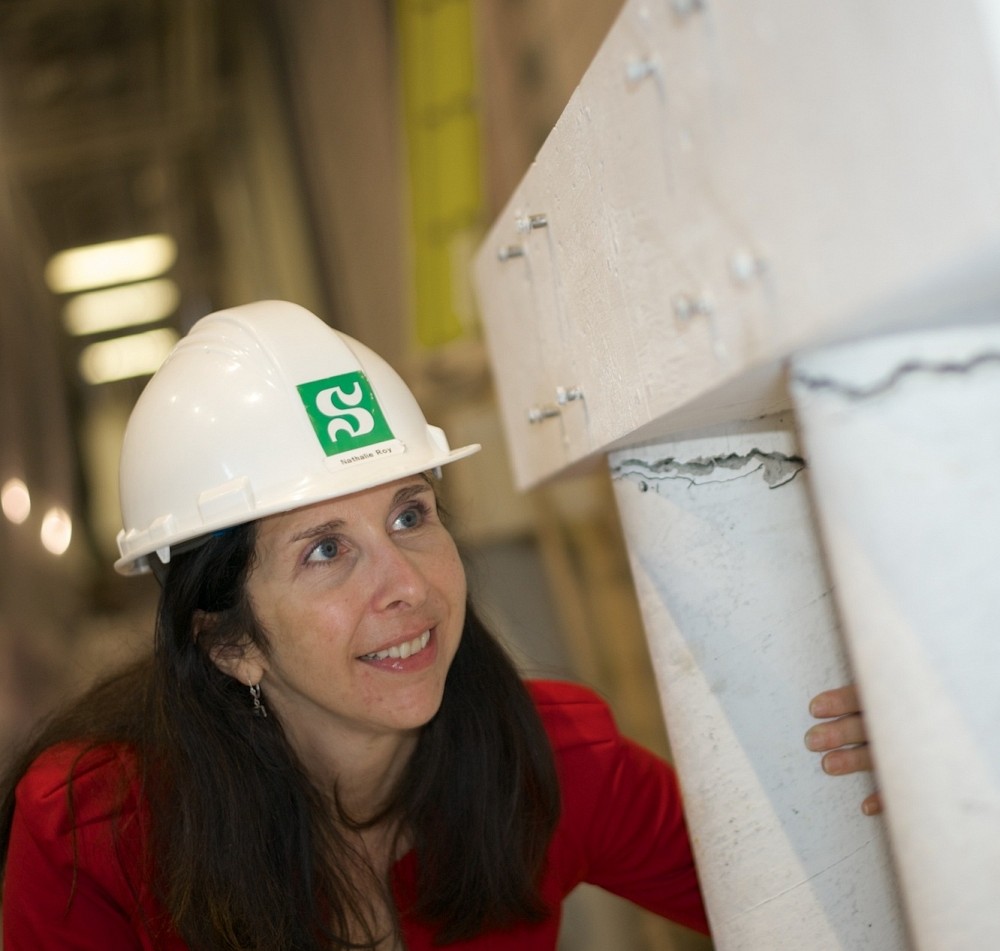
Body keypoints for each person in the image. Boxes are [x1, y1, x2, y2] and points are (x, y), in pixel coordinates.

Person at [0, 301, 878, 950]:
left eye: (410, 514)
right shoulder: (94, 834)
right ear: (229, 642)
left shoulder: (547, 760)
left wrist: (893, 773)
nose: (407, 584)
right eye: (325, 550)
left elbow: (823, 895)